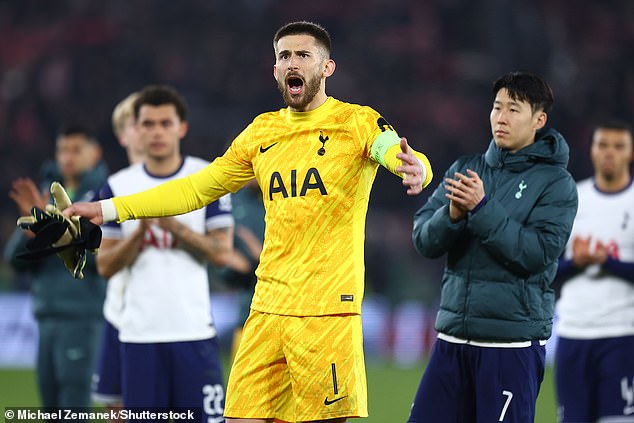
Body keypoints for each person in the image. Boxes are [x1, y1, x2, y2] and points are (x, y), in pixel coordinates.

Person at [61, 21, 433, 423]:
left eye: (303, 55)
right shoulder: (262, 132)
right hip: (266, 309)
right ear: (275, 70)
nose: (293, 62)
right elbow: (196, 189)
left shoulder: (356, 122)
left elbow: (396, 150)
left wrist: (414, 168)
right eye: (284, 56)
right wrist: (108, 209)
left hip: (326, 312)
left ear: (327, 68)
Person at [407, 71, 578, 423]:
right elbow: (423, 239)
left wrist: (482, 211)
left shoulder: (556, 184)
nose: (501, 117)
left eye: (514, 109)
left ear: (539, 120)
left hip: (509, 347)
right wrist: (452, 215)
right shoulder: (466, 169)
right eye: (497, 107)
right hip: (452, 342)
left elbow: (536, 255)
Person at [93, 85, 234, 422]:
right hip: (140, 336)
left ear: (181, 128)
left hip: (194, 333)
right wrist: (138, 234)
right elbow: (105, 266)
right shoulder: (117, 188)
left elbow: (222, 254)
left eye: (165, 123)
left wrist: (177, 228)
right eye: (149, 124)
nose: (157, 132)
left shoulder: (207, 179)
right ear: (136, 130)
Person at [4, 125, 108, 413]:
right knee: (51, 410)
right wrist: (36, 233)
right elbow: (14, 259)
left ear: (95, 153)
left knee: (73, 410)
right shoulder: (45, 197)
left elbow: (105, 261)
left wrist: (57, 232)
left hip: (82, 317)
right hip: (45, 316)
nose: (67, 157)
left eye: (76, 150)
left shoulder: (104, 198)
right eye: (63, 150)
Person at [553, 120, 634, 423]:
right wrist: (577, 262)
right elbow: (547, 273)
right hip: (573, 333)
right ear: (591, 151)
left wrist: (606, 261)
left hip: (622, 336)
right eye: (603, 145)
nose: (609, 153)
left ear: (630, 153)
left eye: (618, 146)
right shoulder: (571, 198)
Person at [91, 92, 143, 414]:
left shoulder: (190, 182)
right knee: (119, 411)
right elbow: (103, 264)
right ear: (123, 135)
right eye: (136, 122)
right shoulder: (111, 189)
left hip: (178, 318)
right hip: (121, 315)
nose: (147, 129)